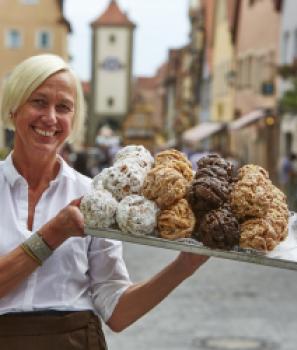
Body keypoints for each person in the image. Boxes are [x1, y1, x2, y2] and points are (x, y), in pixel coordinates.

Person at [0, 54, 208, 349]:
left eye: (63, 107)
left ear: (73, 121)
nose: (50, 117)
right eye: (38, 102)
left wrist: (183, 266)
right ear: (13, 108)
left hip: (74, 341)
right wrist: (52, 235)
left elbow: (117, 312)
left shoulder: (96, 197)